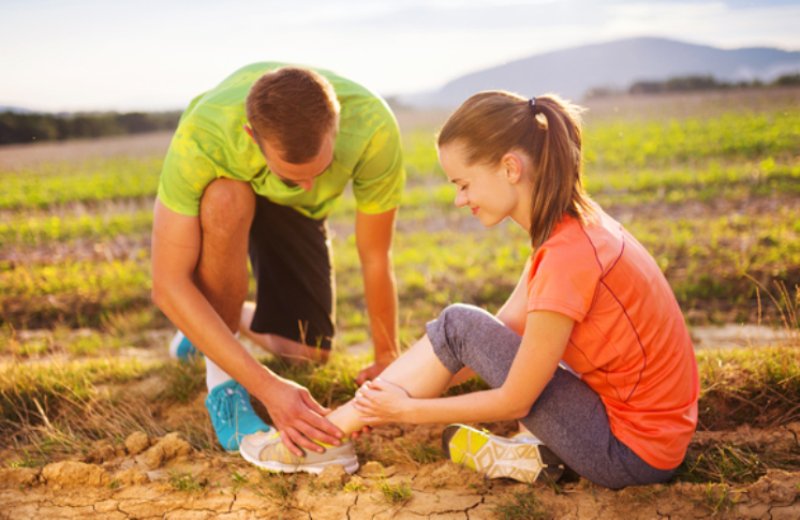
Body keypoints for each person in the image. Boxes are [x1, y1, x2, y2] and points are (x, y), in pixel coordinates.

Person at [238, 91, 699, 489]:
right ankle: (338, 431)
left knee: (459, 321)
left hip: (629, 454)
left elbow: (514, 395)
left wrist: (403, 410)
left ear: (510, 167)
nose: (459, 199)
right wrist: (385, 400)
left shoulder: (566, 255)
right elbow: (493, 337)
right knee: (463, 329)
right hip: (648, 435)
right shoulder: (571, 228)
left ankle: (319, 442)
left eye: (463, 183)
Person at [151, 63, 405, 455]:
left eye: (321, 170)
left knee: (307, 352)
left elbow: (375, 255)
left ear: (337, 124)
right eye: (294, 177)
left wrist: (386, 355)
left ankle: (202, 327)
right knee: (226, 197)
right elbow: (167, 285)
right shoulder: (203, 137)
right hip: (229, 190)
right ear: (252, 137)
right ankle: (223, 386)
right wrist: (267, 387)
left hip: (299, 215)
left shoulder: (373, 127)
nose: (308, 185)